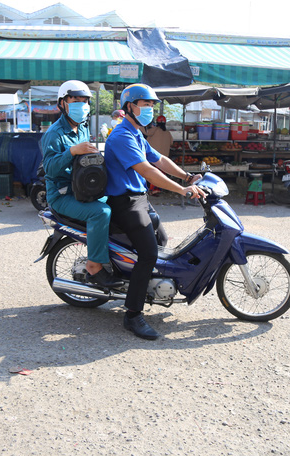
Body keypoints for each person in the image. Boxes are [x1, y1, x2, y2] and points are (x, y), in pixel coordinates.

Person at [104, 83, 206, 340]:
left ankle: (142, 286)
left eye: (151, 105)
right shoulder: (121, 136)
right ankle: (132, 315)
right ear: (130, 107)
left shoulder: (136, 132)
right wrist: (182, 191)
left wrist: (187, 176)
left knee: (161, 240)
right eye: (145, 104)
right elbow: (148, 171)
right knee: (149, 254)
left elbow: (159, 159)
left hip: (139, 198)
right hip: (124, 201)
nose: (149, 109)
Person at [41, 80, 123, 288]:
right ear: (63, 104)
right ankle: (94, 266)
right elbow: (49, 168)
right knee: (101, 213)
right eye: (76, 100)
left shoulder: (83, 128)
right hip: (62, 196)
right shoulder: (54, 133)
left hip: (84, 189)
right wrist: (72, 152)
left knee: (123, 201)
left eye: (85, 100)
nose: (82, 105)